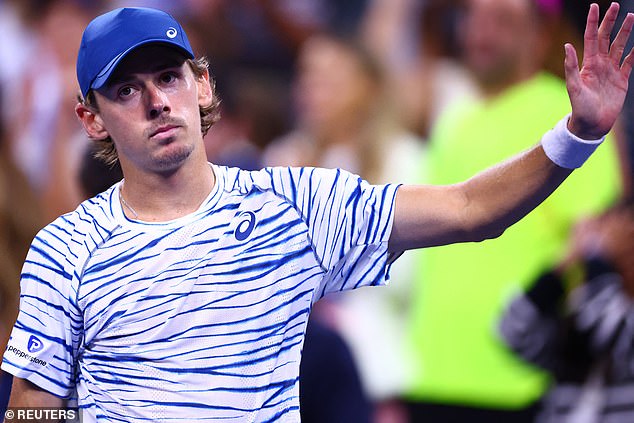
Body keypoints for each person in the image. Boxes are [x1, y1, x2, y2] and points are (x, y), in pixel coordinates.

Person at [1, 4, 633, 422]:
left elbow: (470, 210)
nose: (156, 103)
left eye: (169, 77)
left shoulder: (293, 205)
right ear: (91, 119)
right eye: (125, 91)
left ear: (203, 85)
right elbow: (35, 403)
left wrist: (576, 134)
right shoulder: (64, 248)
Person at [405, 0, 624, 421]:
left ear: (539, 35)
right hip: (429, 375)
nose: (481, 33)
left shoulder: (571, 112)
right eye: (473, 18)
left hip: (518, 383)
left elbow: (594, 235)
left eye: (502, 21)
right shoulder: (455, 117)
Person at [498, 199, 634, 422]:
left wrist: (596, 258)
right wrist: (564, 263)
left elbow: (611, 335)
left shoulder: (598, 307)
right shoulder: (580, 310)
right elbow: (512, 331)